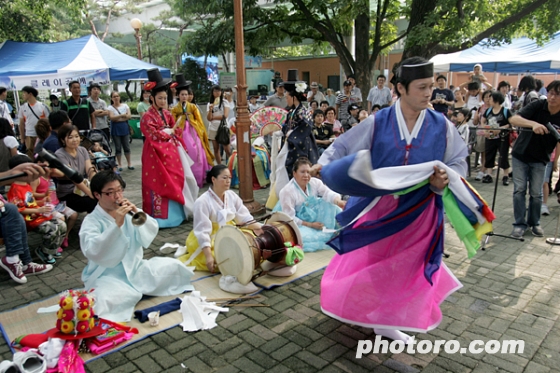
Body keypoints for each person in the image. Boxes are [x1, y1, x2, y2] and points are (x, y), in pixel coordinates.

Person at [315, 57, 470, 343]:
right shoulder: (378, 121)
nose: (428, 93)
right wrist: (325, 165)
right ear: (401, 88)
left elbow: (459, 161)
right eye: (421, 87)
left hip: (421, 209)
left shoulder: (441, 125)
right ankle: (374, 313)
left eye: (430, 87)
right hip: (380, 207)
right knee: (375, 264)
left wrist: (443, 180)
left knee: (410, 266)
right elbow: (342, 146)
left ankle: (389, 319)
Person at [79, 170, 195, 322]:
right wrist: (116, 225)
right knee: (103, 300)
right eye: (110, 193)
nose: (117, 196)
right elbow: (93, 250)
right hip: (108, 276)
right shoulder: (91, 221)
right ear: (97, 195)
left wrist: (137, 213)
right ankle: (128, 293)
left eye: (119, 190)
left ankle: (136, 289)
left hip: (136, 268)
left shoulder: (127, 212)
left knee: (174, 266)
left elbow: (151, 229)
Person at [140, 68, 198, 228]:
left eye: (165, 98)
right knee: (158, 182)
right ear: (151, 98)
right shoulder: (146, 116)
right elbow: (151, 134)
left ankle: (178, 214)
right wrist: (169, 132)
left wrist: (175, 131)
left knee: (175, 179)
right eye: (159, 98)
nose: (163, 101)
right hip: (155, 153)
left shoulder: (167, 113)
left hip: (171, 153)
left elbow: (176, 129)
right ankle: (160, 217)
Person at [178, 165, 263, 272]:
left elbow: (244, 218)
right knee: (224, 259)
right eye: (224, 178)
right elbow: (202, 231)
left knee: (253, 246)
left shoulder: (232, 195)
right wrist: (208, 255)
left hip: (230, 230)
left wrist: (261, 228)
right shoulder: (202, 202)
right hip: (211, 236)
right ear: (213, 179)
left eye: (230, 178)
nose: (228, 181)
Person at [509, 81, 560, 238]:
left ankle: (534, 223)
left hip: (541, 158)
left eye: (557, 94)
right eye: (550, 92)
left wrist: (556, 161)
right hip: (521, 155)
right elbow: (514, 119)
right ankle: (519, 224)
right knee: (519, 189)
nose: (552, 97)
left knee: (536, 193)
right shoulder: (538, 104)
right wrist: (533, 124)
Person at [274, 158, 345, 252]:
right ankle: (328, 232)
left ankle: (340, 228)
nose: (306, 175)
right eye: (302, 172)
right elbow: (289, 217)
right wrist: (311, 225)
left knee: (332, 204)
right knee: (301, 238)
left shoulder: (315, 182)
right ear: (294, 173)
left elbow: (327, 193)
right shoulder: (287, 191)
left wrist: (338, 202)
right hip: (298, 221)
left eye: (308, 172)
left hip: (313, 213)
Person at [8, 155, 67, 264]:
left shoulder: (26, 185)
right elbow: (18, 209)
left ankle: (50, 249)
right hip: (28, 220)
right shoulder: (15, 189)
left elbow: (31, 202)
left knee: (62, 225)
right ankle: (44, 251)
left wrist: (43, 201)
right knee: (52, 228)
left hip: (38, 216)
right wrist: (38, 210)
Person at [0, 163, 53, 284]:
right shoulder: (16, 189)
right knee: (12, 210)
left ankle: (26, 263)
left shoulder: (25, 186)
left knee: (16, 216)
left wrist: (12, 174)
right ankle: (12, 259)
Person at [170, 74, 214, 188]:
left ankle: (199, 178)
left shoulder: (193, 107)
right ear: (178, 96)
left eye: (186, 94)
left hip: (193, 131)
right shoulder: (175, 109)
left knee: (197, 152)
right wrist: (182, 118)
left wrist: (199, 129)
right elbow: (173, 123)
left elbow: (199, 121)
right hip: (181, 132)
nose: (184, 96)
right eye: (182, 94)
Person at [54, 125, 98, 213]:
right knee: (93, 201)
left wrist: (96, 185)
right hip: (68, 193)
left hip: (83, 188)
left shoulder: (83, 150)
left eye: (77, 136)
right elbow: (74, 178)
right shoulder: (60, 154)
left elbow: (90, 170)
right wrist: (90, 193)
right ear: (63, 140)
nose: (75, 140)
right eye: (70, 137)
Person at [282, 81, 319, 179]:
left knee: (301, 171)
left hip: (302, 146)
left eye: (287, 98)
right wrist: (284, 131)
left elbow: (306, 127)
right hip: (292, 144)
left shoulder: (303, 111)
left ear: (294, 98)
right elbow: (286, 125)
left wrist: (292, 134)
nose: (286, 100)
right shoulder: (291, 112)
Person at [480, 91, 512, 185]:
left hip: (502, 137)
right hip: (490, 137)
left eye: (491, 98)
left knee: (503, 155)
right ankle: (489, 174)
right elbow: (483, 120)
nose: (489, 100)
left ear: (497, 100)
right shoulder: (488, 110)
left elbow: (511, 123)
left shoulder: (505, 111)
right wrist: (484, 130)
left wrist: (501, 128)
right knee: (489, 154)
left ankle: (505, 175)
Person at [18, 86, 49, 159]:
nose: (23, 95)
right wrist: (22, 138)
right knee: (30, 155)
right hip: (29, 135)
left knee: (42, 154)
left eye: (24, 93)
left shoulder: (42, 106)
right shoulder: (22, 108)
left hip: (41, 135)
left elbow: (48, 122)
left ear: (30, 94)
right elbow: (21, 124)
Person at [107, 91, 133, 171]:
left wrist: (118, 118)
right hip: (115, 130)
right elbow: (112, 118)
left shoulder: (125, 105)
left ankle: (129, 163)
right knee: (118, 148)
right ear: (111, 98)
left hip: (124, 128)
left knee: (127, 147)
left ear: (120, 97)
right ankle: (120, 164)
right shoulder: (110, 107)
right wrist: (122, 115)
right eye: (114, 96)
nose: (116, 98)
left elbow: (129, 116)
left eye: (117, 96)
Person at [206, 85, 231, 165]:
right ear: (212, 92)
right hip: (213, 128)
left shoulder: (224, 102)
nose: (217, 93)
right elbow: (209, 118)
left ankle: (231, 165)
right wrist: (210, 110)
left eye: (219, 91)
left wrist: (214, 117)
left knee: (227, 149)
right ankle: (220, 166)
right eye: (215, 91)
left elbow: (225, 116)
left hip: (223, 128)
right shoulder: (209, 104)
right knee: (216, 149)